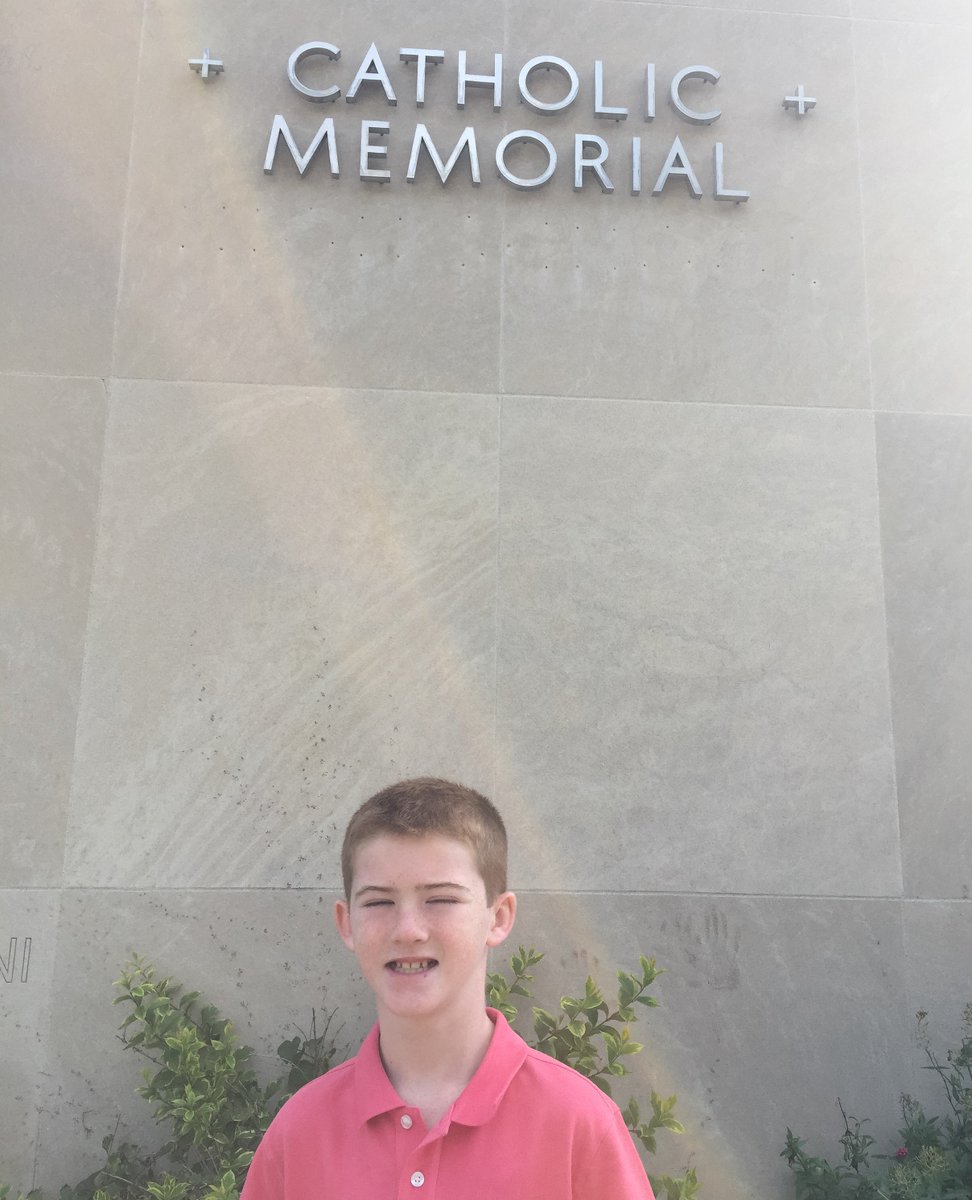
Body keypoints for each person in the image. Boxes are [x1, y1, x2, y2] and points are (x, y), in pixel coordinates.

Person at [241, 777, 655, 1199]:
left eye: (440, 899)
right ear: (347, 923)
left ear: (498, 917)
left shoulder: (578, 1123)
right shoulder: (300, 1131)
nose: (408, 930)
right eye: (379, 902)